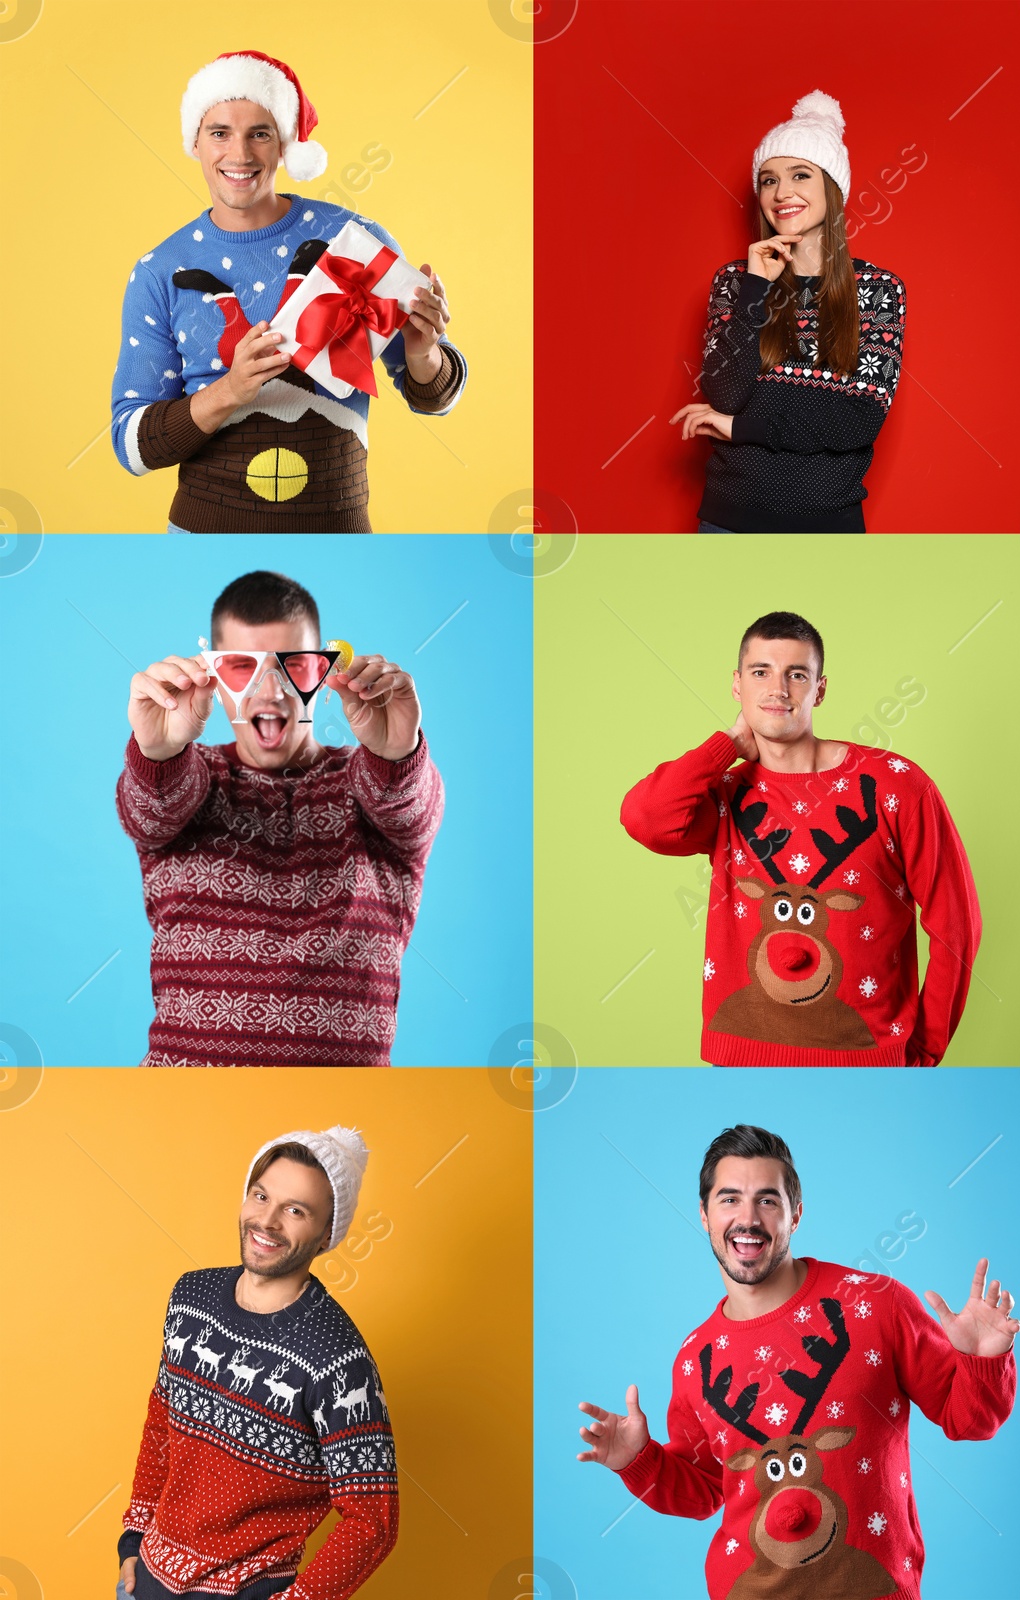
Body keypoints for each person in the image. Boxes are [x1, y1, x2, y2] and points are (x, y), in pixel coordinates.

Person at [576, 1124, 1019, 1597]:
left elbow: (968, 1419)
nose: (748, 1219)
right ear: (704, 1215)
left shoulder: (878, 1303)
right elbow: (705, 1490)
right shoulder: (694, 1362)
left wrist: (983, 1359)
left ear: (796, 1214)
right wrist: (638, 1463)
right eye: (729, 1199)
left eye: (767, 1200)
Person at [110, 50, 466, 532]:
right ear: (195, 142)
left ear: (284, 146)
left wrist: (424, 354)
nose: (239, 154)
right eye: (220, 132)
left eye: (260, 133)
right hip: (204, 540)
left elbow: (434, 399)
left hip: (337, 536)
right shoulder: (160, 272)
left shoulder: (353, 241)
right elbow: (132, 446)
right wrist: (230, 390)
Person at [620, 610, 980, 1065]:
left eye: (796, 674)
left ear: (819, 688)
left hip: (866, 1060)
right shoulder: (724, 795)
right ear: (737, 685)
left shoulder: (896, 785)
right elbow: (644, 817)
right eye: (760, 672)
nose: (777, 690)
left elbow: (957, 922)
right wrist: (726, 745)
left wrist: (926, 1049)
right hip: (741, 1056)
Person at [115, 570, 444, 1066]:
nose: (269, 693)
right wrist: (156, 753)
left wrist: (397, 753)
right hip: (183, 1105)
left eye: (293, 667)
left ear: (322, 673)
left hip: (342, 1105)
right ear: (211, 677)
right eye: (242, 667)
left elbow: (411, 810)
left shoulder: (370, 783)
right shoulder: (192, 776)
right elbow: (150, 812)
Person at [117, 1127, 397, 1598]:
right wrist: (133, 1536)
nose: (267, 1221)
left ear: (327, 1232)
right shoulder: (190, 1296)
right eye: (260, 1195)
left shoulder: (338, 1359)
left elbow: (373, 1521)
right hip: (143, 1580)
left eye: (295, 1210)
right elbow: (161, 1416)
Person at [669, 90, 905, 532]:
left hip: (827, 527)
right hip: (726, 524)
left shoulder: (878, 290)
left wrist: (741, 429)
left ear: (832, 188)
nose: (782, 192)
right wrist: (757, 287)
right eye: (769, 179)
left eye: (800, 175)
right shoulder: (736, 283)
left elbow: (856, 421)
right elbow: (725, 395)